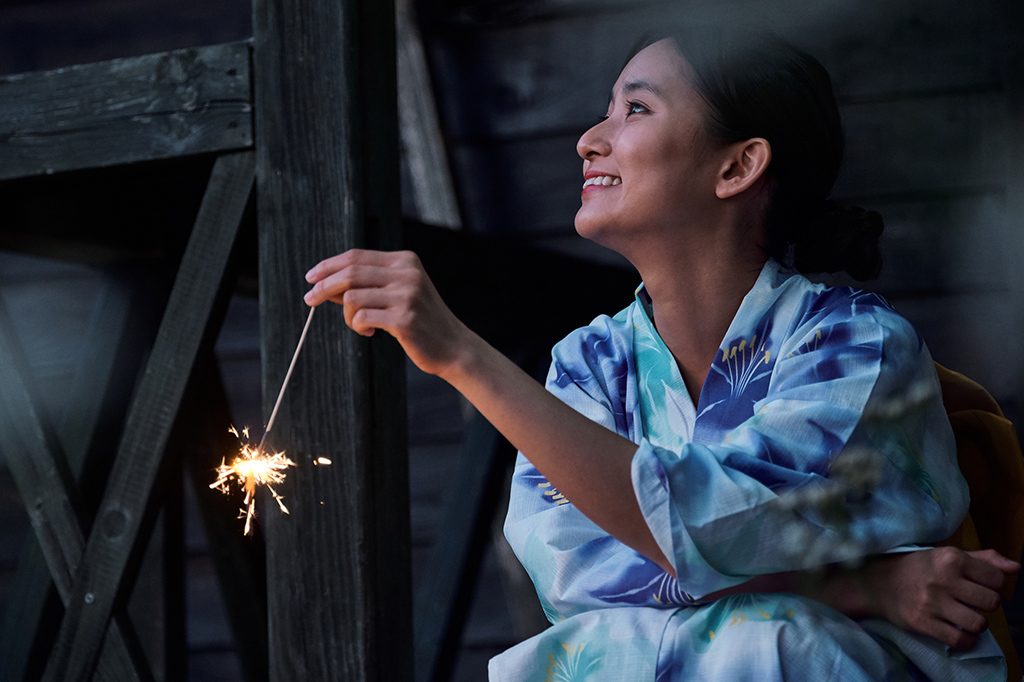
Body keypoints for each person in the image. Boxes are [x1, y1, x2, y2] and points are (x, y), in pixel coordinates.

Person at [304, 27, 1019, 681]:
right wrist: (861, 585)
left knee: (771, 642)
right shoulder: (589, 362)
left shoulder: (852, 346)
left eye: (635, 110)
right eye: (605, 110)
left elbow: (726, 527)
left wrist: (461, 354)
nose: (589, 138)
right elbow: (574, 572)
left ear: (738, 165)